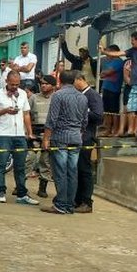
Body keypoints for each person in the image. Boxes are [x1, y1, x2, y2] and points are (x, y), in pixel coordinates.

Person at [0, 71, 37, 205]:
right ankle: (0, 191)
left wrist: (29, 132)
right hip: (3, 134)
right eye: (12, 84)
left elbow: (26, 114)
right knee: (1, 163)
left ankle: (21, 194)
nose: (15, 86)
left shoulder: (23, 94)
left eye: (17, 84)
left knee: (20, 166)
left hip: (19, 134)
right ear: (7, 82)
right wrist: (5, 110)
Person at [42, 70, 88, 214]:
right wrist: (78, 133)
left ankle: (61, 204)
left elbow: (52, 119)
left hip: (60, 138)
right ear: (74, 80)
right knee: (72, 172)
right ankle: (69, 204)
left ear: (59, 81)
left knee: (60, 172)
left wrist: (46, 138)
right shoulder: (82, 97)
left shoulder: (58, 95)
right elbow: (85, 121)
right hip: (76, 138)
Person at [102, 31, 137, 138]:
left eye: (132, 40)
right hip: (134, 84)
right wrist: (104, 52)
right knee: (131, 108)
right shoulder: (132, 51)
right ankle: (131, 130)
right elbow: (119, 53)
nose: (131, 42)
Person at [73, 72, 104, 213]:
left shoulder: (92, 95)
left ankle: (86, 201)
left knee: (85, 169)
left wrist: (81, 111)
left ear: (80, 80)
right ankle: (78, 199)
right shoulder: (80, 95)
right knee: (78, 169)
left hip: (87, 136)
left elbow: (98, 115)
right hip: (77, 135)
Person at [30, 75, 57, 198]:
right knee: (28, 158)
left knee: (45, 161)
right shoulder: (34, 98)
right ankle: (20, 186)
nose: (43, 85)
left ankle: (42, 187)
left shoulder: (56, 98)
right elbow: (26, 114)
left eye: (46, 83)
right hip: (34, 131)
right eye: (42, 83)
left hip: (49, 133)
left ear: (53, 86)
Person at [99, 45, 125, 136]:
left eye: (109, 52)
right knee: (106, 111)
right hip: (106, 88)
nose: (107, 55)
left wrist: (104, 73)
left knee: (114, 111)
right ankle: (108, 129)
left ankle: (115, 129)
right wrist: (104, 73)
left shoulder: (118, 62)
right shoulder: (109, 62)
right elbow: (102, 74)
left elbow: (107, 72)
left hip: (114, 89)